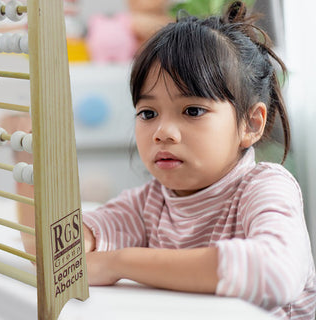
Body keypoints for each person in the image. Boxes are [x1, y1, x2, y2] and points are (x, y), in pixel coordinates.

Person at [81, 1, 316, 319]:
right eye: (148, 113)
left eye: (192, 111)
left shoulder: (264, 186)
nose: (163, 132)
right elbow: (76, 246)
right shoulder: (148, 203)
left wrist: (119, 262)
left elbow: (275, 271)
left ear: (251, 124)